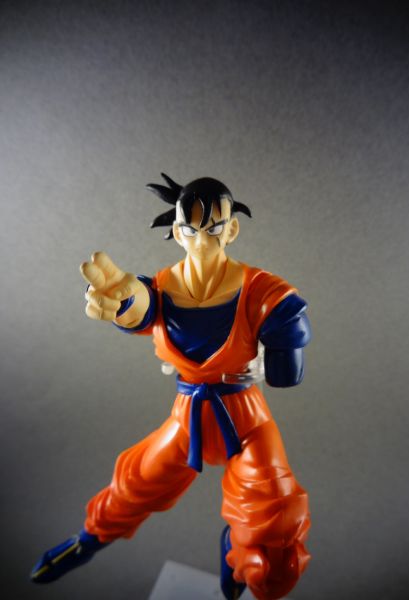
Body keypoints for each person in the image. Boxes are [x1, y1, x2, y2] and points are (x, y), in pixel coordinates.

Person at [31, 175, 312, 600]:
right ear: (178, 233)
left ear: (232, 229)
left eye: (214, 228)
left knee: (276, 534)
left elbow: (286, 374)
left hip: (247, 422)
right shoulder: (160, 288)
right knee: (134, 486)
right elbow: (140, 305)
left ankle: (238, 554)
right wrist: (124, 303)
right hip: (188, 419)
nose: (202, 240)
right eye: (191, 229)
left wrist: (276, 343)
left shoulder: (264, 292)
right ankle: (86, 541)